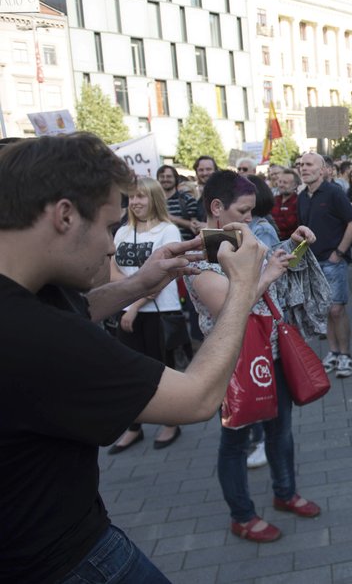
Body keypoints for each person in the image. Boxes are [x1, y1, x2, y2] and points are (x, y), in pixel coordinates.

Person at [0, 133, 267, 582]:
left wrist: (139, 284)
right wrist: (242, 288)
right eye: (108, 226)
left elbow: (77, 309)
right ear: (65, 215)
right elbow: (197, 398)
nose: (111, 246)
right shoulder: (32, 334)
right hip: (64, 560)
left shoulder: (28, 298)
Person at [186, 170, 321, 544]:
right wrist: (269, 274)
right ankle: (242, 515)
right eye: (243, 211)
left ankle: (285, 492)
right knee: (235, 442)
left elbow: (270, 273)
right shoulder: (196, 257)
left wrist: (289, 248)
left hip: (271, 353)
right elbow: (232, 307)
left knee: (282, 429)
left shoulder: (244, 243)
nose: (250, 218)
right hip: (230, 365)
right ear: (217, 208)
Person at [107, 177, 185, 454]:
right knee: (126, 373)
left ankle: (171, 421)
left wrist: (134, 305)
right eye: (132, 197)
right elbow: (113, 270)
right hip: (128, 310)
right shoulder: (122, 232)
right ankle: (134, 427)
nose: (136, 202)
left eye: (141, 196)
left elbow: (161, 276)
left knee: (162, 370)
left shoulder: (168, 231)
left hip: (158, 311)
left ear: (154, 199)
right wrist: (129, 304)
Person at [295, 152, 352, 377]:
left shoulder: (334, 193)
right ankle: (333, 351)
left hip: (333, 261)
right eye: (301, 164)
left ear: (322, 170)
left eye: (309, 164)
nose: (303, 168)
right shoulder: (302, 196)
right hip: (312, 263)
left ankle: (345, 355)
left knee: (336, 309)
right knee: (325, 311)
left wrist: (339, 252)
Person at [157, 164, 198, 240]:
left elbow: (195, 226)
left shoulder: (187, 199)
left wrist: (169, 218)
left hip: (183, 247)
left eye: (169, 176)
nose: (165, 179)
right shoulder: (154, 201)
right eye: (162, 176)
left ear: (175, 179)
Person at [271, 169, 300, 240]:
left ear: (295, 185)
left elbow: (291, 224)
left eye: (285, 182)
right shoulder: (274, 200)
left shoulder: (299, 201)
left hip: (291, 243)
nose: (281, 185)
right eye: (280, 182)